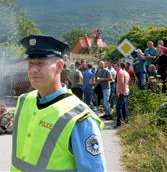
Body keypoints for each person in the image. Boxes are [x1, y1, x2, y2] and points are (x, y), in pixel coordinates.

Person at [11, 35, 106, 172]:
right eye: (31, 63)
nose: (33, 70)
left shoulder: (79, 118)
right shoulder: (24, 101)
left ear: (59, 66)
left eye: (41, 63)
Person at [114, 62, 130, 128]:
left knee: (118, 107)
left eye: (116, 66)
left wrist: (119, 91)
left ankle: (119, 123)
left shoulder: (120, 72)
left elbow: (122, 83)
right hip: (126, 91)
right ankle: (126, 121)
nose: (115, 68)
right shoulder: (126, 72)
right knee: (124, 107)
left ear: (120, 66)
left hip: (122, 92)